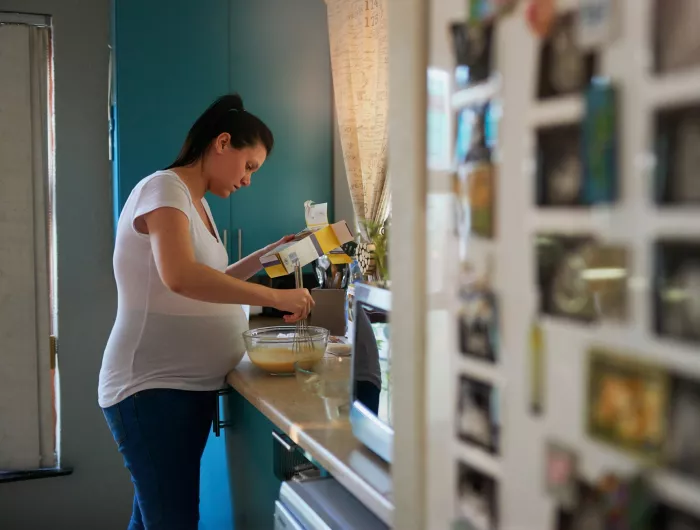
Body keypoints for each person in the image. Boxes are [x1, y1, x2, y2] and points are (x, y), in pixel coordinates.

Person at [98, 94, 313, 530]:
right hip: (150, 389)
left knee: (157, 517)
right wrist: (275, 298)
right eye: (249, 166)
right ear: (222, 142)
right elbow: (180, 277)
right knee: (172, 519)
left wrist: (263, 257)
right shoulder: (165, 188)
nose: (249, 180)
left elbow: (207, 278)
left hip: (178, 392)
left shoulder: (198, 203)